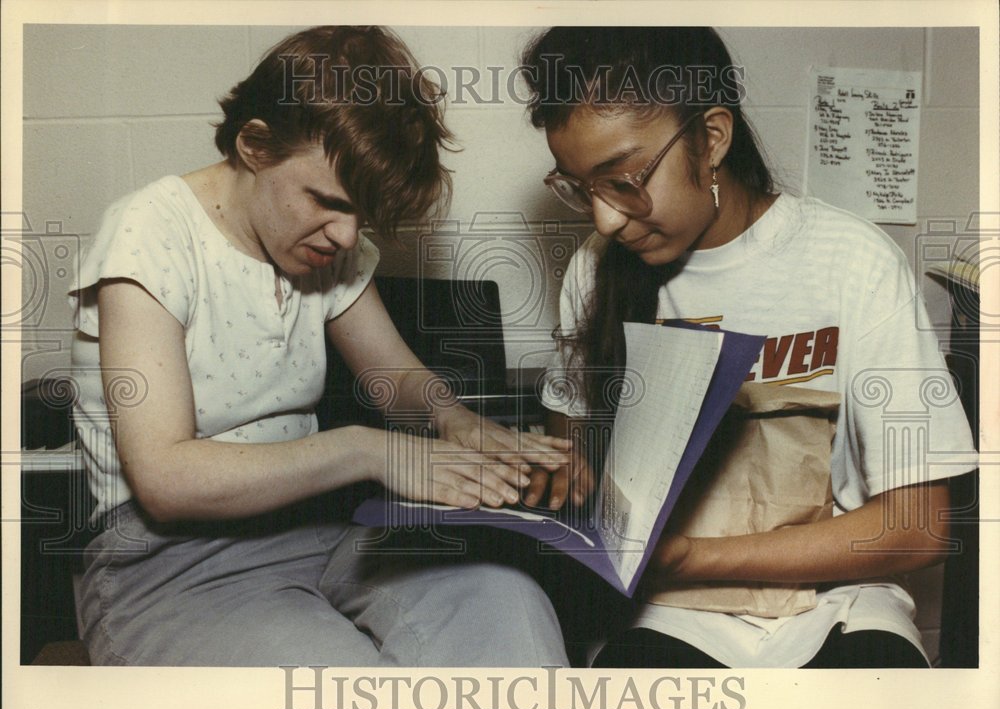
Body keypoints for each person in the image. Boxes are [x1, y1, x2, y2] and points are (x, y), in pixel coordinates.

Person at [69, 26, 572, 667]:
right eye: (328, 202)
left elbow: (398, 381)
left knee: (509, 610)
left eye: (363, 214)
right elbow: (166, 479)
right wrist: (365, 449)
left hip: (326, 529)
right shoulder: (148, 234)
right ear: (254, 146)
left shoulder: (326, 243)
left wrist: (457, 421)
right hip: (169, 562)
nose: (345, 235)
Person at [518, 27, 978, 668]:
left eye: (622, 179)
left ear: (711, 139)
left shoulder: (852, 261)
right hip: (672, 612)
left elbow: (919, 524)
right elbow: (576, 468)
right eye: (580, 187)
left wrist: (691, 556)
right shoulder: (594, 274)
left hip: (835, 601)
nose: (606, 220)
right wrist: (557, 481)